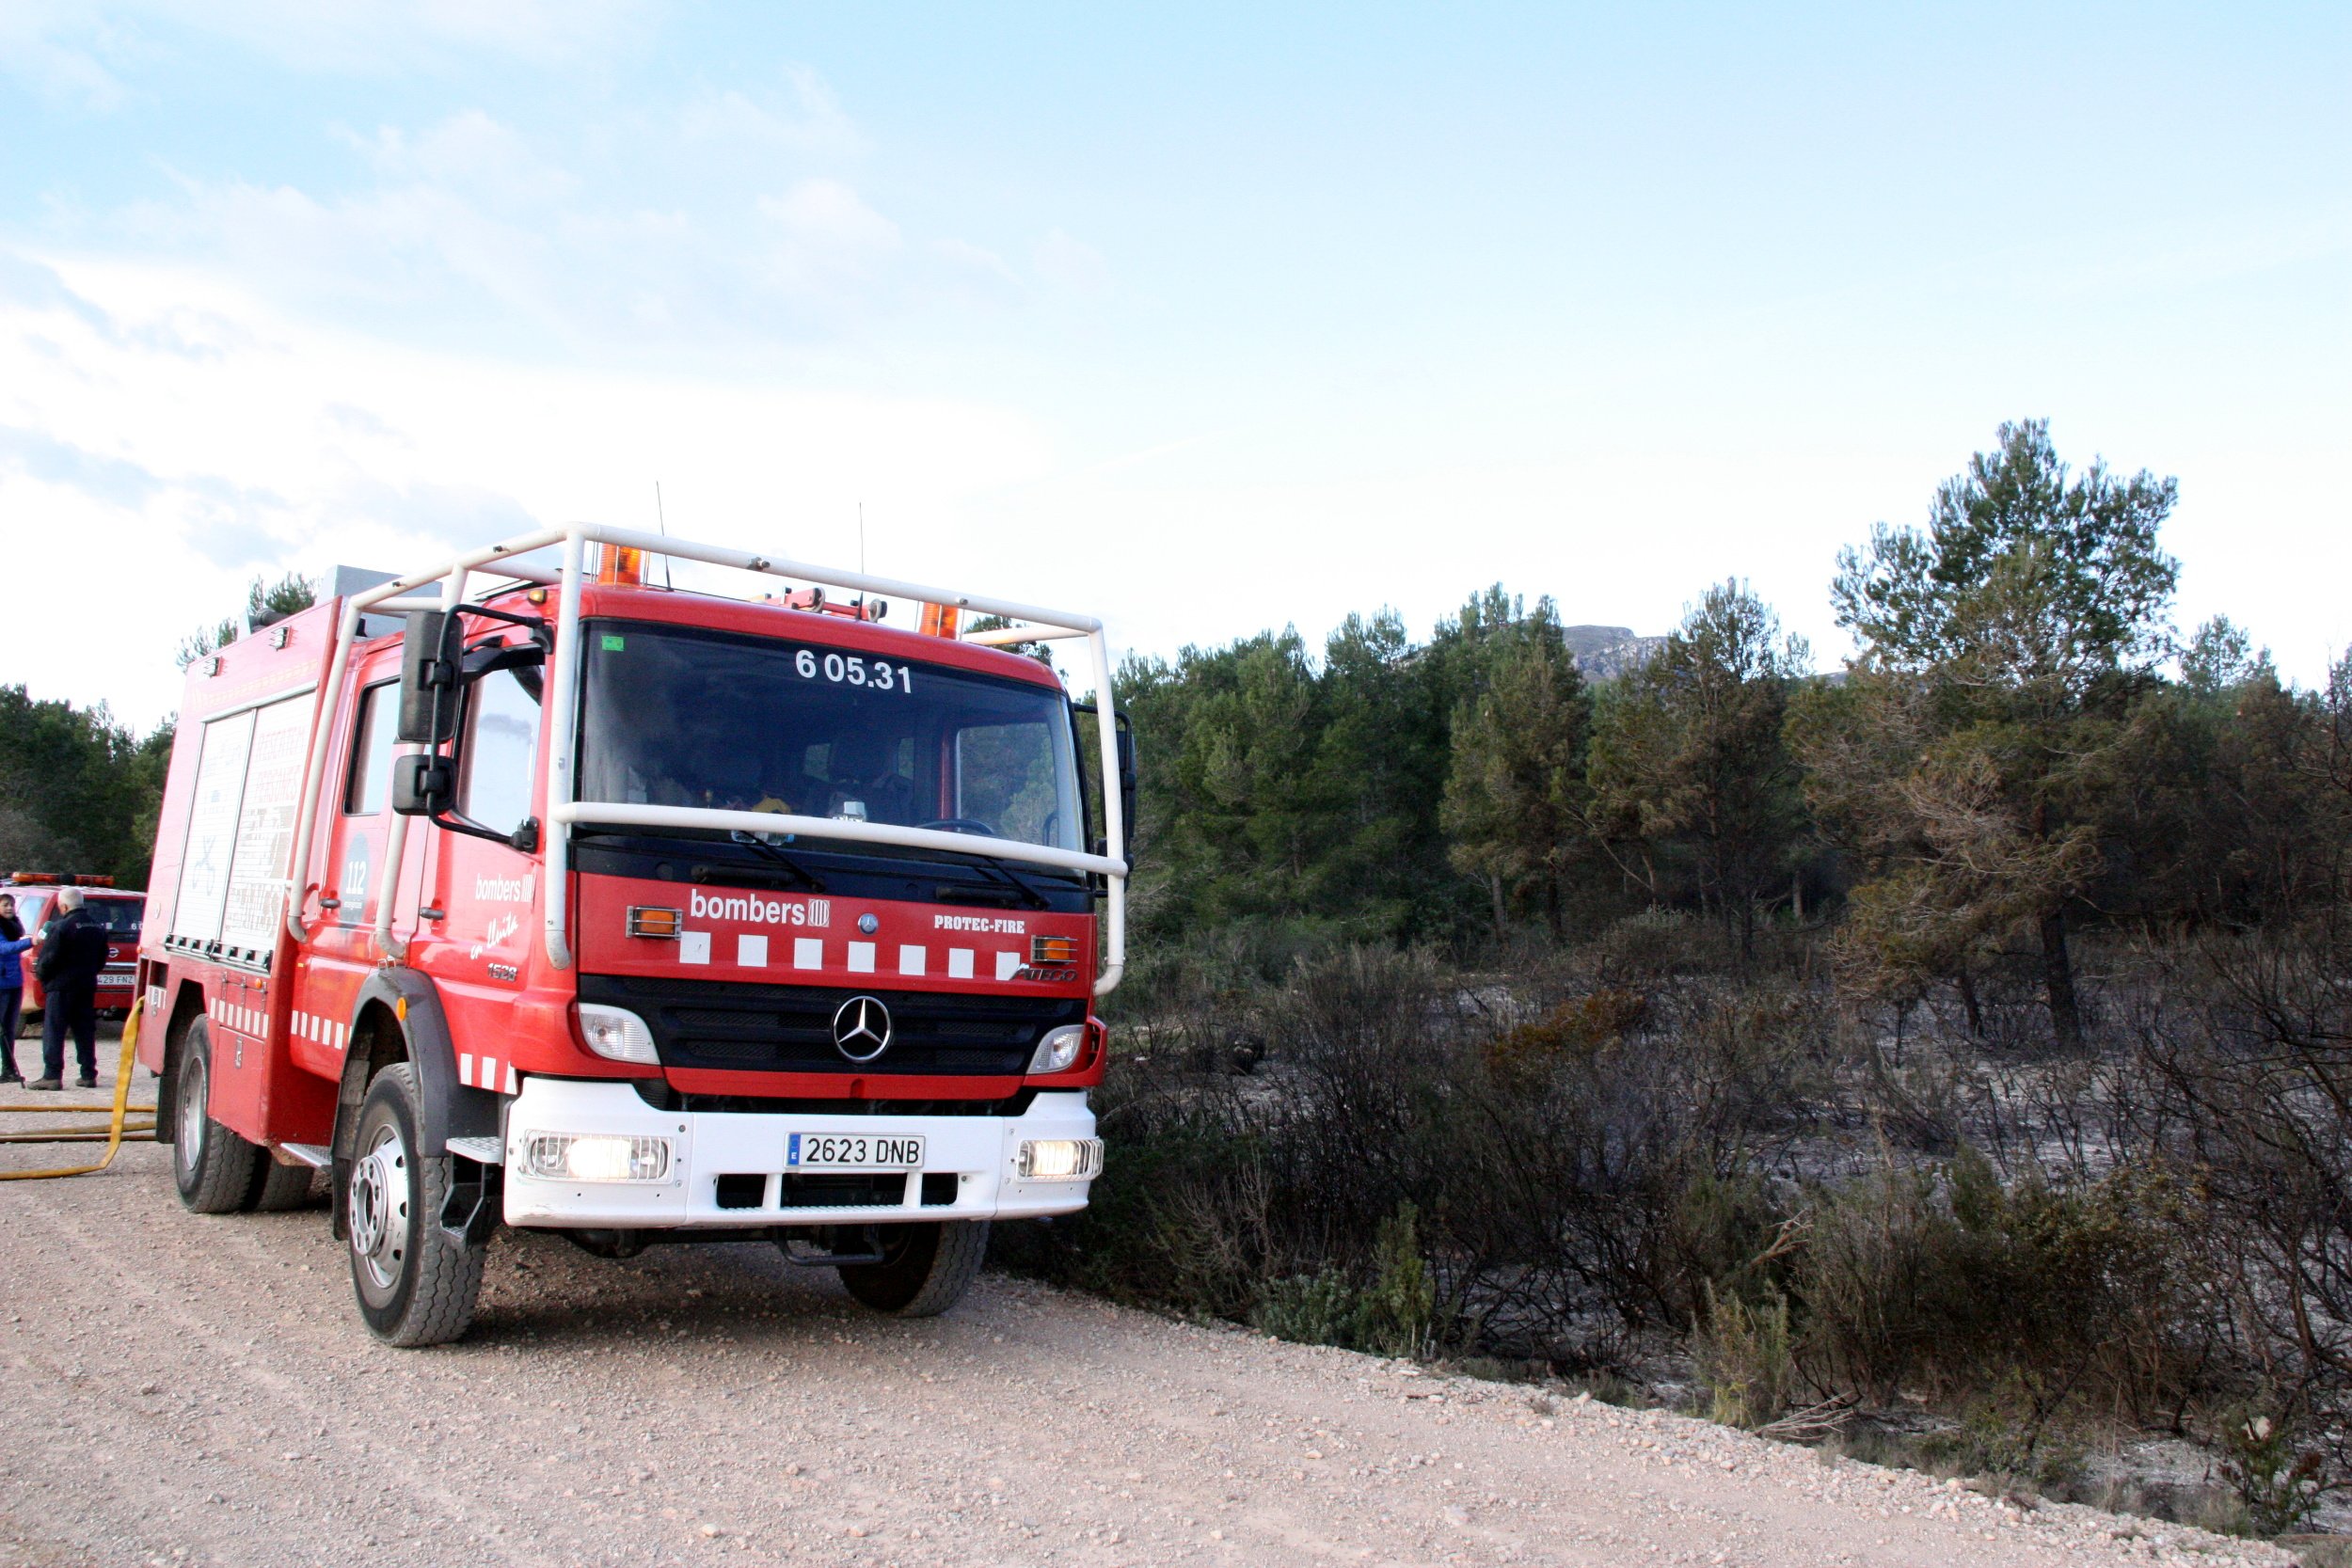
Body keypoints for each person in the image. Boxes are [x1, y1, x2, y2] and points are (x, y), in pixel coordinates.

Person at [26, 887, 108, 1092]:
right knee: (85, 1031)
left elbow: (48, 959)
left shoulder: (61, 928)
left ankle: (52, 1076)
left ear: (63, 906)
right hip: (86, 986)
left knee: (55, 1031)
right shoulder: (96, 927)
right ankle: (88, 1074)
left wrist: (42, 977)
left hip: (61, 988)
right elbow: (102, 957)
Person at [0, 894, 33, 1084]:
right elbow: (3, 948)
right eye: (5, 905)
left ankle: (9, 1070)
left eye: (11, 905)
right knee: (2, 1029)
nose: (10, 908)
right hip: (2, 983)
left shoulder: (14, 927)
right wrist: (30, 942)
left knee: (10, 1028)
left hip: (14, 982)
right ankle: (7, 1068)